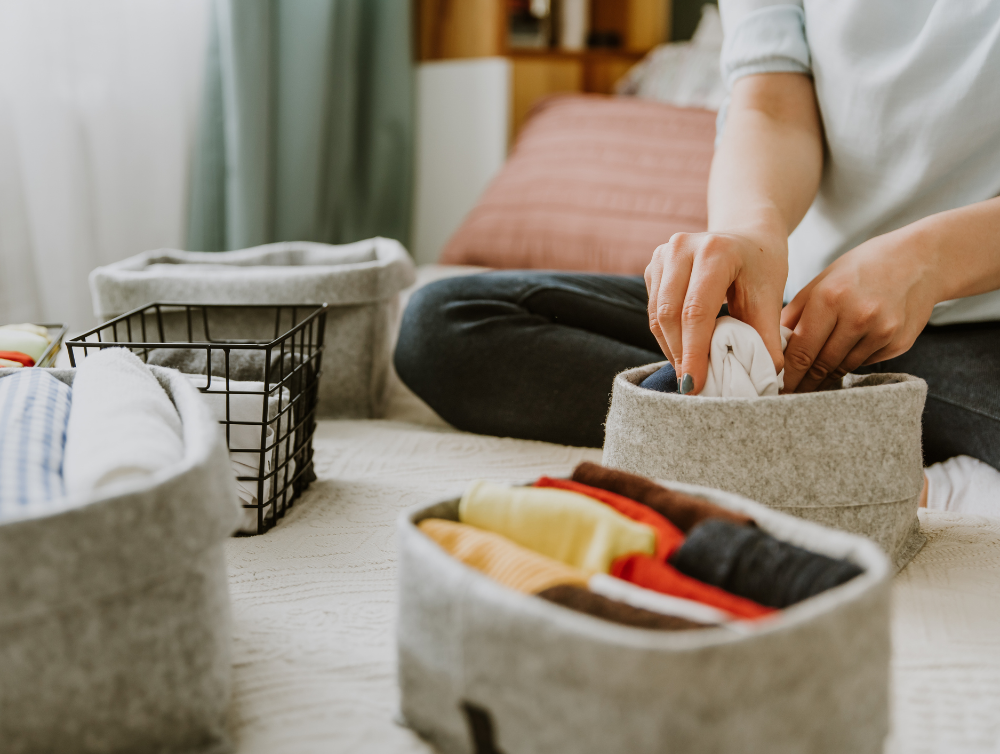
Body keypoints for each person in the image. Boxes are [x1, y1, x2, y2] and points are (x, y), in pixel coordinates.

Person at [395, 0, 1000, 469]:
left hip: (979, 322)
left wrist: (931, 259)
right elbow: (770, 106)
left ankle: (754, 437)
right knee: (443, 325)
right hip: (795, 316)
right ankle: (850, 453)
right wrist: (748, 232)